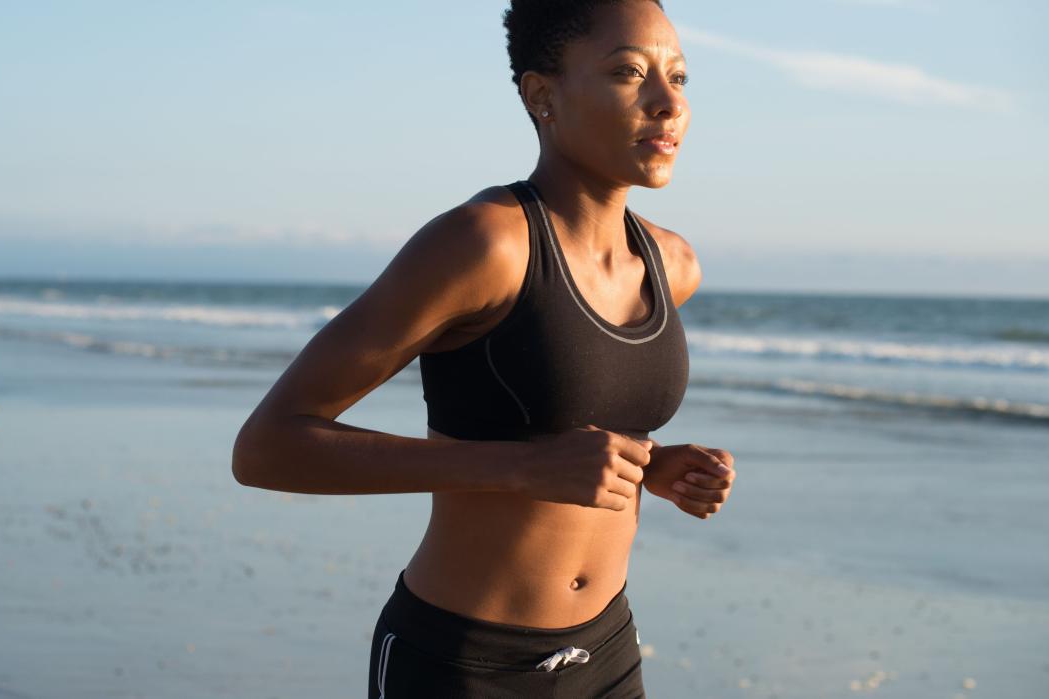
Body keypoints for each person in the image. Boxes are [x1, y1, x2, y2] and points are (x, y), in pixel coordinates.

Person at [231, 1, 736, 696]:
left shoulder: (673, 265)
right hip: (460, 662)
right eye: (629, 73)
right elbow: (267, 447)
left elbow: (567, 416)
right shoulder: (484, 245)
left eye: (679, 77)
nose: (666, 102)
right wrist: (522, 468)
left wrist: (651, 467)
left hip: (607, 653)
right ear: (542, 96)